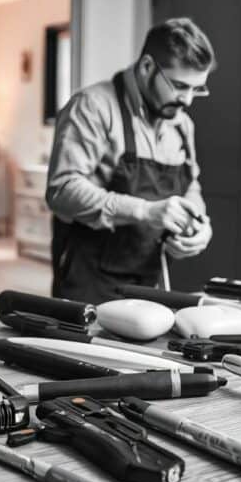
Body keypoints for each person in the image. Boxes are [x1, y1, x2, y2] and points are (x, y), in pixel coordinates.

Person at [45, 18, 215, 304]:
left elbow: (190, 186)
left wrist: (200, 225)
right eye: (179, 86)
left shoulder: (181, 123)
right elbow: (61, 190)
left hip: (150, 282)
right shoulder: (93, 107)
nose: (187, 100)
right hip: (88, 281)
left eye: (197, 89)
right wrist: (146, 211)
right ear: (147, 67)